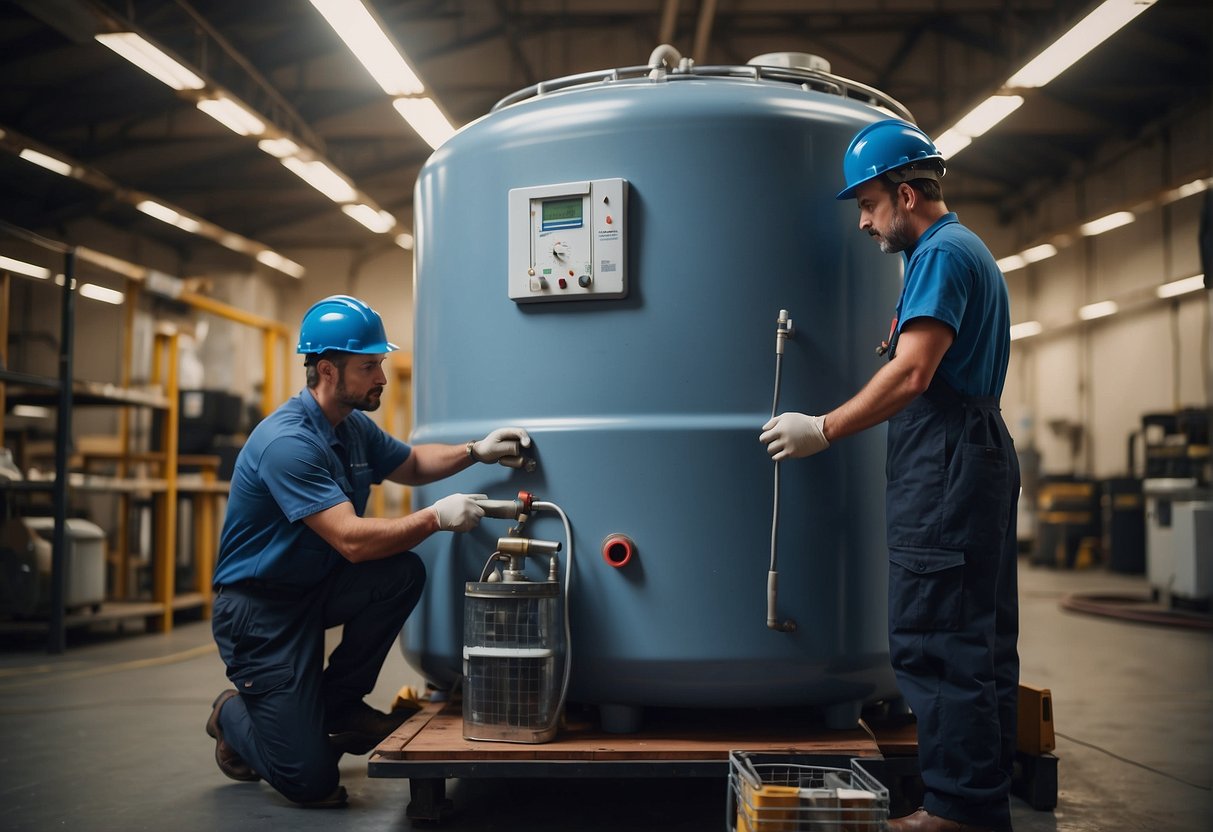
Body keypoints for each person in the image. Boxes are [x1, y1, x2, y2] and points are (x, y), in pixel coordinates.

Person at [759, 119, 1020, 832]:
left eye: (868, 205)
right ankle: (982, 795)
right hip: (973, 449)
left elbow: (911, 374)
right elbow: (921, 355)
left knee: (935, 636)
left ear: (905, 194)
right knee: (979, 635)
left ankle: (955, 811)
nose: (865, 223)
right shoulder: (960, 250)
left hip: (947, 459)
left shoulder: (937, 253)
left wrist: (821, 428)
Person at [206, 294, 531, 808]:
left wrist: (476, 451)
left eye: (380, 362)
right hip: (261, 612)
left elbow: (413, 464)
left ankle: (337, 705)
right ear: (328, 371)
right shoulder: (289, 443)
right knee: (315, 783)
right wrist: (434, 518)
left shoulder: (351, 426)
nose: (382, 376)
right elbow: (352, 542)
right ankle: (231, 714)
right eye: (369, 366)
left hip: (313, 587)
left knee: (400, 573)